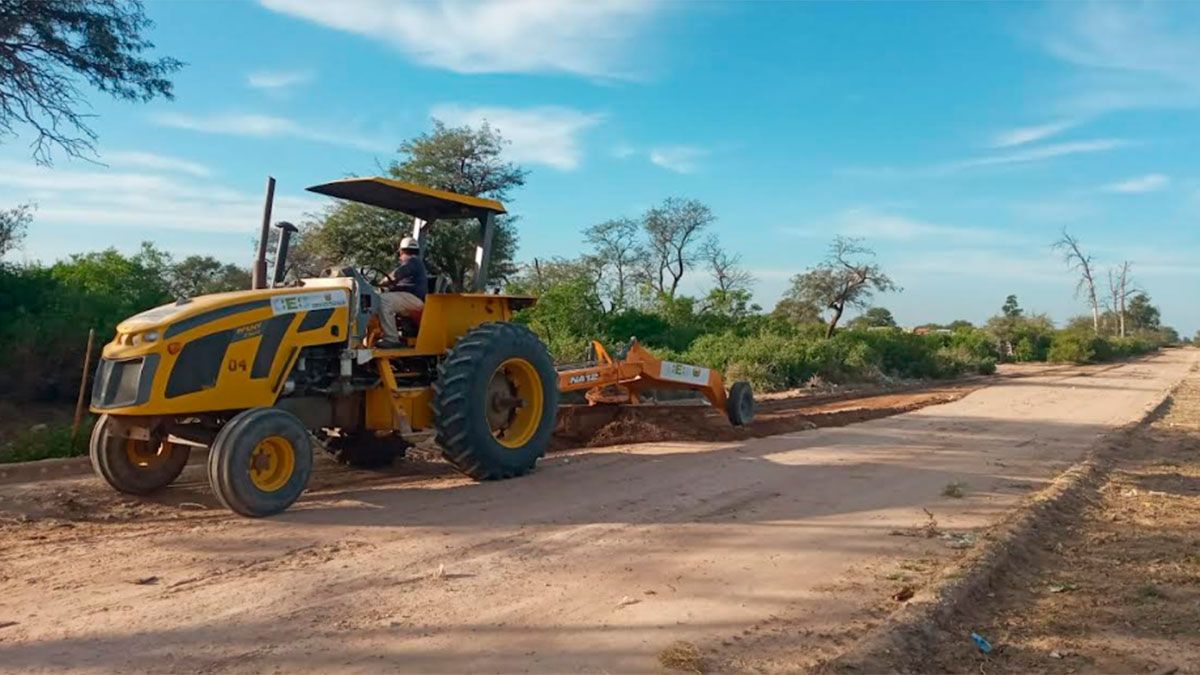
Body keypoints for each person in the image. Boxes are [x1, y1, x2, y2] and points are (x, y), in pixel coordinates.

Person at [376, 236, 428, 348]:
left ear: (401, 251)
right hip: (410, 298)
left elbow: (395, 276)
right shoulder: (414, 263)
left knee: (383, 300)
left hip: (414, 299)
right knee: (374, 299)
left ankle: (392, 339)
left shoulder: (412, 262)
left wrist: (380, 282)